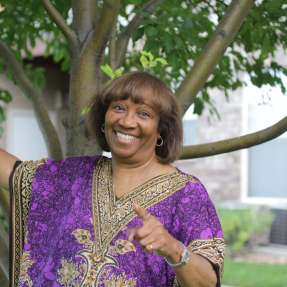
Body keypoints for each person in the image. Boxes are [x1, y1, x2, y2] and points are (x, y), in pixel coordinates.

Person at [0, 71, 225, 287]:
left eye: (144, 113)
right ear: (104, 118)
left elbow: (207, 283)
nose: (127, 121)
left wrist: (173, 249)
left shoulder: (187, 193)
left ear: (161, 131)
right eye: (119, 107)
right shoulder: (73, 176)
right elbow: (14, 172)